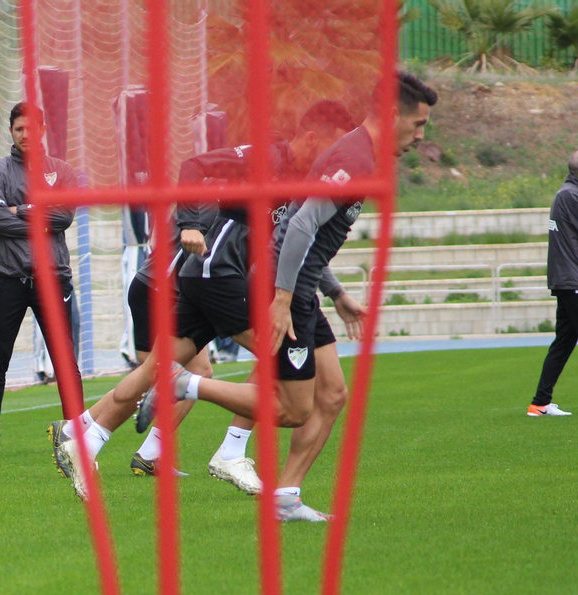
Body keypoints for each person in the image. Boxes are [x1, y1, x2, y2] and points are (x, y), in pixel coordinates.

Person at [140, 72, 435, 521]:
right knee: (294, 410)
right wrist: (281, 299)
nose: (420, 136)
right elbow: (300, 225)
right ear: (393, 115)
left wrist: (335, 293)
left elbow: (302, 224)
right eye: (418, 125)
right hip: (287, 291)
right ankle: (183, 385)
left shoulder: (359, 153)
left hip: (300, 288)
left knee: (332, 395)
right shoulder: (354, 159)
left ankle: (286, 497)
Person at [54, 100, 355, 497]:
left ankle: (83, 439)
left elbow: (295, 245)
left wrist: (335, 292)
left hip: (207, 276)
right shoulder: (265, 157)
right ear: (313, 138)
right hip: (217, 271)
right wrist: (191, 224)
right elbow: (194, 166)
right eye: (333, 147)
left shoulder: (308, 179)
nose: (336, 158)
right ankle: (230, 451)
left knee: (154, 370)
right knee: (278, 358)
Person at [0, 102, 76, 455]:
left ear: (43, 130)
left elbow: (64, 217)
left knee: (65, 360)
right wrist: (40, 215)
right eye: (19, 128)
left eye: (32, 128)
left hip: (53, 277)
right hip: (7, 278)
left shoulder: (61, 170)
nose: (26, 135)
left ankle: (77, 433)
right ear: (11, 131)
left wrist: (20, 209)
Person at [529, 149, 578, 417]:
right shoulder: (571, 196)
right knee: (563, 342)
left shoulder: (567, 193)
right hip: (573, 279)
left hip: (567, 278)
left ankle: (540, 403)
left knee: (563, 342)